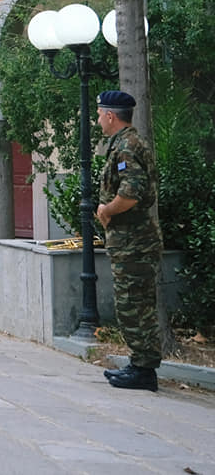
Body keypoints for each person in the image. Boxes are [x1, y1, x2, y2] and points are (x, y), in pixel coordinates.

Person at [95, 90, 162, 392]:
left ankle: (144, 370)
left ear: (111, 115)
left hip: (134, 242)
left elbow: (131, 191)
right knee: (135, 303)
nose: (98, 121)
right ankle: (140, 365)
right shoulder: (126, 144)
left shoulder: (127, 146)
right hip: (131, 241)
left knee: (133, 305)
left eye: (99, 115)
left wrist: (107, 210)